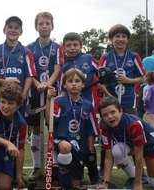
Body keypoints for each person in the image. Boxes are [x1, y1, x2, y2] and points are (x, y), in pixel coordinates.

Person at [97, 24, 147, 185]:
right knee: (106, 135)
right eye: (117, 36)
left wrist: (127, 80)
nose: (120, 39)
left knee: (133, 136)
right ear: (111, 39)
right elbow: (99, 80)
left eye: (123, 36)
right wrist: (109, 96)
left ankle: (140, 172)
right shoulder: (106, 57)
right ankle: (103, 170)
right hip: (110, 104)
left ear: (127, 39)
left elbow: (143, 78)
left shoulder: (134, 56)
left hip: (128, 102)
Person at [96, 96, 154, 190]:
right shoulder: (105, 127)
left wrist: (138, 183)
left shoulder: (133, 125)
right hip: (133, 144)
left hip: (150, 145)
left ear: (120, 111)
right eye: (105, 115)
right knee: (117, 150)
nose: (110, 117)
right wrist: (105, 183)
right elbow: (108, 157)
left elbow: (139, 156)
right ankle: (133, 177)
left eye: (113, 112)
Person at [25, 11, 64, 182]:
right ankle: (36, 167)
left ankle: (53, 165)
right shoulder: (29, 48)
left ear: (52, 26)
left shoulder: (57, 48)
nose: (44, 26)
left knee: (52, 126)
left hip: (52, 93)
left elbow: (57, 69)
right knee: (35, 128)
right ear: (36, 27)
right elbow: (29, 71)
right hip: (34, 92)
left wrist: (47, 84)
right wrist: (36, 84)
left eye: (47, 23)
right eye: (41, 23)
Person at [59, 32, 100, 184]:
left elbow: (102, 72)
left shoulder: (88, 59)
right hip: (71, 111)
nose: (72, 48)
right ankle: (76, 173)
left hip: (88, 108)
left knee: (90, 141)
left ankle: (94, 175)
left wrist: (107, 74)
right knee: (74, 141)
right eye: (68, 45)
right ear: (64, 48)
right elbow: (62, 91)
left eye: (75, 44)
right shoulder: (64, 67)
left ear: (81, 46)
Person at [46, 68, 98, 188]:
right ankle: (64, 183)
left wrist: (90, 151)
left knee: (76, 184)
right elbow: (50, 121)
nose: (74, 84)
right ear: (64, 84)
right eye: (70, 81)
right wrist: (49, 100)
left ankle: (58, 175)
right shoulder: (59, 102)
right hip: (61, 141)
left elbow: (91, 131)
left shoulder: (88, 105)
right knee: (66, 146)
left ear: (83, 84)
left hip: (80, 147)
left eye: (77, 81)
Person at [0, 16, 37, 116]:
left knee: (18, 126)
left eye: (16, 28)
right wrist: (4, 82)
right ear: (4, 30)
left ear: (21, 32)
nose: (13, 30)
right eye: (10, 27)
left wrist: (23, 95)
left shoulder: (26, 52)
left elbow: (29, 76)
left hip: (18, 100)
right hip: (1, 99)